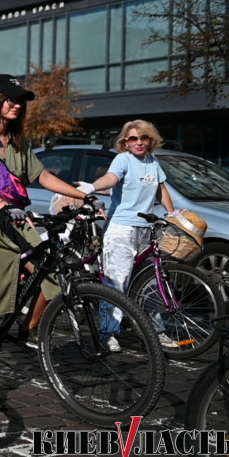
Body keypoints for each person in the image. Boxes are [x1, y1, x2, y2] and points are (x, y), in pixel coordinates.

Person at [0, 74, 91, 410]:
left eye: (20, 100)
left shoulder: (18, 142)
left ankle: (29, 329)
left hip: (15, 218)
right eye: (9, 98)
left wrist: (83, 197)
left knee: (52, 275)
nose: (16, 104)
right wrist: (0, 203)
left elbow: (41, 176)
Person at [79, 120, 179, 352]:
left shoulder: (153, 161)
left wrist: (172, 212)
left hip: (146, 228)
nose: (139, 142)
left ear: (151, 139)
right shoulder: (123, 159)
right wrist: (91, 188)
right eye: (133, 139)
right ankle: (108, 332)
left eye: (143, 138)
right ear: (125, 142)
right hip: (122, 228)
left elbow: (161, 189)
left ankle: (155, 330)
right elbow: (111, 179)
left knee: (151, 283)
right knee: (117, 281)